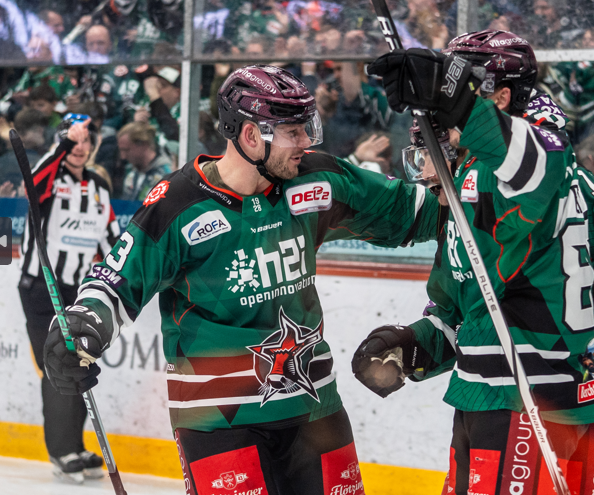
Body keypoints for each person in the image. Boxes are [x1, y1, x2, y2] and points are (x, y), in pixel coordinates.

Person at [41, 65, 441, 494]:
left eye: (307, 127)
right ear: (251, 137)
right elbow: (112, 287)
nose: (306, 142)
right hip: (218, 419)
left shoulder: (318, 178)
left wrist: (484, 184)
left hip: (314, 408)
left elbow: (423, 213)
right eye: (293, 131)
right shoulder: (178, 205)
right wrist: (81, 330)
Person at [356, 45, 594, 495]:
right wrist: (415, 347)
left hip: (543, 391)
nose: (427, 171)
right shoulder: (479, 188)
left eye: (435, 150)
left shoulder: (519, 164)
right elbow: (470, 309)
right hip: (574, 387)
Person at [18, 114, 119, 483]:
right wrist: (60, 146)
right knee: (57, 364)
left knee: (78, 364)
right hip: (42, 289)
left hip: (77, 289)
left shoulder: (98, 187)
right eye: (72, 141)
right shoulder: (50, 180)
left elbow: (110, 240)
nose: (80, 147)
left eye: (84, 140)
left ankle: (75, 445)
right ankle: (61, 451)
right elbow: (34, 181)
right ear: (61, 144)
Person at [116, 121, 174, 201]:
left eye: (127, 150)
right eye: (121, 151)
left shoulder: (166, 175)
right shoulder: (131, 176)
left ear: (143, 144)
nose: (123, 156)